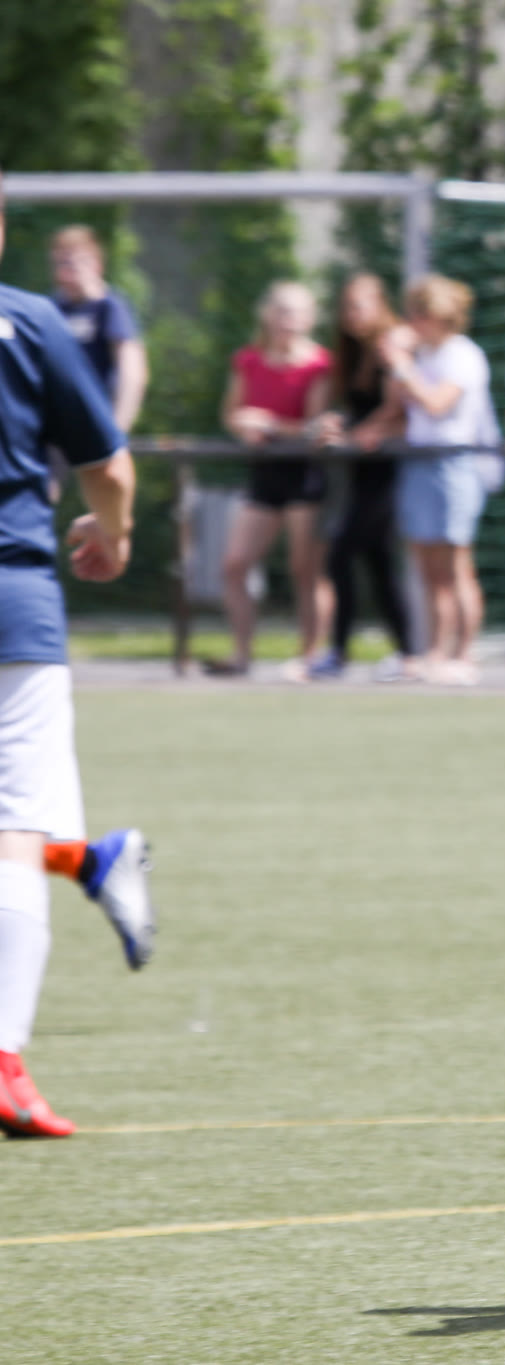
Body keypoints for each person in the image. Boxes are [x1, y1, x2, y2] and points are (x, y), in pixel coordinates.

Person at [0, 167, 144, 1135]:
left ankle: (97, 859)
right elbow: (108, 469)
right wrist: (113, 532)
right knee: (12, 827)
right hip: (14, 605)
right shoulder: (30, 321)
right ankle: (3, 1058)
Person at [36, 226, 157, 968]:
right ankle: (93, 862)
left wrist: (110, 439)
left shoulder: (50, 320)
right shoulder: (42, 315)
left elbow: (110, 459)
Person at [214, 281, 335, 681]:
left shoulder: (320, 364)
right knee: (235, 565)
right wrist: (244, 427)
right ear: (267, 315)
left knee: (306, 569)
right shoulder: (248, 360)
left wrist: (269, 424)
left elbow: (314, 428)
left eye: (297, 312)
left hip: (306, 474)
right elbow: (232, 414)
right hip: (264, 473)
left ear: (310, 318)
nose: (289, 320)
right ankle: (242, 654)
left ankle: (310, 656)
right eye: (282, 311)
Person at [389, 275, 498, 686]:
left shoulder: (463, 355)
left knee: (456, 566)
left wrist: (402, 365)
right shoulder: (420, 355)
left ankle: (465, 654)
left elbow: (436, 404)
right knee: (428, 568)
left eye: (422, 313)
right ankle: (436, 651)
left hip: (454, 463)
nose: (414, 321)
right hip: (419, 461)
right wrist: (398, 361)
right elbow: (399, 405)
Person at [315, 273, 414, 681]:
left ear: (379, 304)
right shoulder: (353, 350)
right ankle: (408, 653)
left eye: (359, 305)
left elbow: (396, 408)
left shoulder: (393, 342)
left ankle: (339, 651)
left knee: (340, 555)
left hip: (388, 467)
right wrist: (336, 425)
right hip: (363, 468)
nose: (351, 314)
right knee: (379, 564)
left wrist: (357, 434)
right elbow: (356, 408)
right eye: (346, 307)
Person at [46, 226, 147, 439]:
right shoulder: (51, 308)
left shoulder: (110, 308)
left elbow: (132, 372)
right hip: (55, 426)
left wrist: (116, 432)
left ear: (95, 265)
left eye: (71, 264)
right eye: (59, 264)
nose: (64, 274)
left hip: (97, 423)